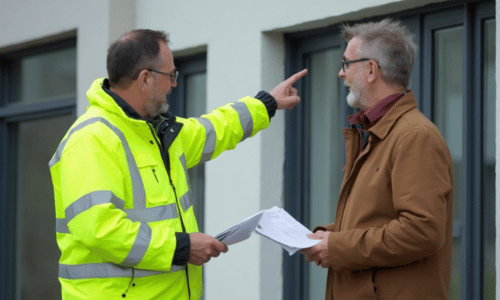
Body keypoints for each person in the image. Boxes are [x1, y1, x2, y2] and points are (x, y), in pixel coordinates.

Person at [49, 29, 307, 300]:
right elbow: (99, 230)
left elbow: (213, 129)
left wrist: (267, 103)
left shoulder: (157, 132)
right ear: (145, 79)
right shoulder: (91, 140)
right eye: (170, 75)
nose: (174, 84)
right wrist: (181, 247)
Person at [300, 19, 453, 300]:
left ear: (371, 69)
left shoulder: (415, 136)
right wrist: (326, 237)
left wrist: (337, 246)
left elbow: (422, 231)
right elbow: (375, 220)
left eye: (346, 64)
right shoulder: (376, 132)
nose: (340, 73)